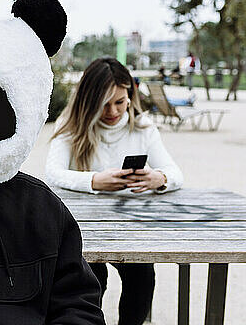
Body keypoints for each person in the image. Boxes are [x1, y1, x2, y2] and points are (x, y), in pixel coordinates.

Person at [45, 57, 183, 325]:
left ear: (130, 96)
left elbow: (175, 173)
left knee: (142, 276)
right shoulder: (71, 125)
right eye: (104, 103)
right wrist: (95, 181)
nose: (112, 111)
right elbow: (52, 173)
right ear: (89, 100)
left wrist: (159, 178)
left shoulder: (143, 127)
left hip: (130, 230)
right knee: (91, 281)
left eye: (119, 101)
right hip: (83, 230)